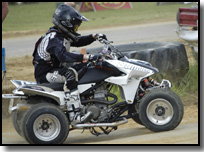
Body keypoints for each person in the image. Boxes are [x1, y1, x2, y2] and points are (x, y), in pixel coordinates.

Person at [33, 4, 106, 124]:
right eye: (76, 26)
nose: (76, 29)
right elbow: (63, 56)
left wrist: (94, 36)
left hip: (54, 70)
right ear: (67, 24)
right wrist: (86, 57)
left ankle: (87, 99)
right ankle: (75, 114)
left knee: (86, 67)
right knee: (71, 73)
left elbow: (78, 41)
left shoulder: (61, 35)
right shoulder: (54, 39)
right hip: (45, 74)